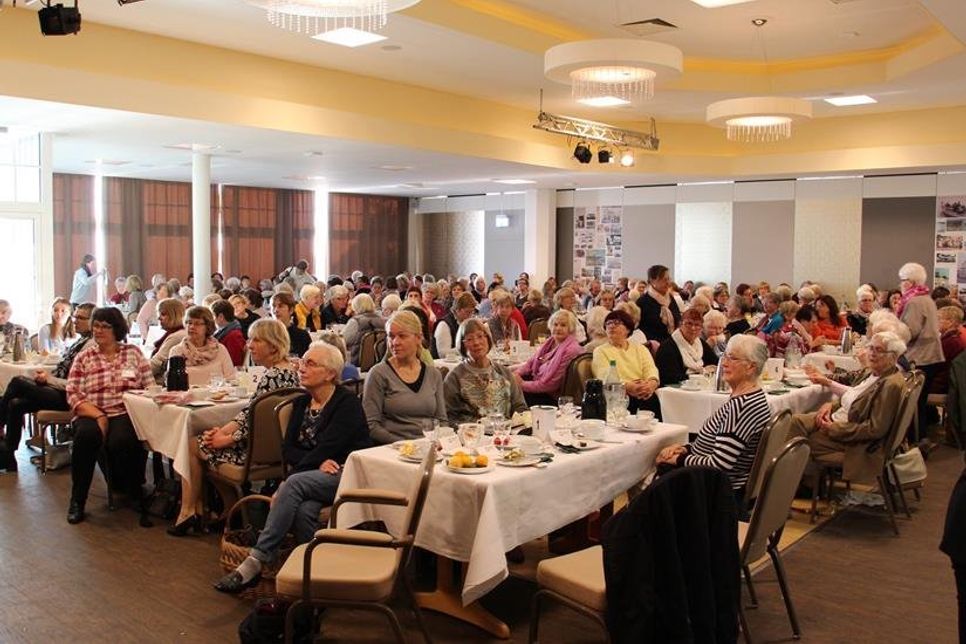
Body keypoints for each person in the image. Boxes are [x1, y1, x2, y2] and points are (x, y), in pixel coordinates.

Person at [213, 342, 371, 593]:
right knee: (304, 510)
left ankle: (257, 559)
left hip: (346, 472)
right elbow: (288, 451)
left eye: (310, 363)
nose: (301, 367)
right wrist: (316, 461)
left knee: (293, 484)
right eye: (302, 361)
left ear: (330, 374)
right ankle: (315, 574)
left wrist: (294, 476)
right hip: (316, 473)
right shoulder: (300, 404)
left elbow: (330, 447)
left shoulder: (346, 404)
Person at [169, 318, 300, 535]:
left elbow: (256, 422)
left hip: (255, 453)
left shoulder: (273, 376)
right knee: (206, 440)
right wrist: (222, 431)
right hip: (276, 450)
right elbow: (251, 413)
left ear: (273, 345)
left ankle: (190, 510)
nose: (249, 345)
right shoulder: (288, 372)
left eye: (256, 340)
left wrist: (227, 438)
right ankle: (228, 509)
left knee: (193, 445)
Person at [655, 335, 771, 504]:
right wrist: (686, 449)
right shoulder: (753, 396)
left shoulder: (741, 406)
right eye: (724, 356)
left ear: (751, 367)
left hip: (714, 491)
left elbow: (719, 464)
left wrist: (679, 459)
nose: (723, 363)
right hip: (713, 481)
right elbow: (719, 447)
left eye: (732, 358)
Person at [65, 307, 154, 524]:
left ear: (117, 329)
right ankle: (78, 500)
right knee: (86, 438)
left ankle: (132, 489)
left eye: (105, 326)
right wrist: (98, 416)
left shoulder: (133, 353)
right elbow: (73, 393)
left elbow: (150, 387)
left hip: (125, 410)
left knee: (123, 440)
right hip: (91, 411)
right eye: (96, 325)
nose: (99, 330)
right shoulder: (84, 357)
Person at [788, 331, 908, 484]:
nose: (872, 354)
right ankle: (798, 482)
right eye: (871, 348)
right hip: (839, 416)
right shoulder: (871, 373)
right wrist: (830, 404)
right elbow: (853, 396)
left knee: (800, 443)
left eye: (879, 350)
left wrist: (834, 428)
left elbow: (875, 429)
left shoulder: (890, 384)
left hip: (855, 439)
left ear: (893, 356)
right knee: (794, 421)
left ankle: (803, 485)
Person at [0, 303, 94, 472]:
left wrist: (50, 379)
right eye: (75, 317)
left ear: (93, 321)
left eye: (81, 318)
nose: (75, 320)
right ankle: (8, 457)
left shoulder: (91, 346)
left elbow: (79, 385)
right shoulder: (82, 340)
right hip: (57, 389)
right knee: (15, 404)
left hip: (70, 397)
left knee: (18, 381)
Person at [362, 310, 446, 445]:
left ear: (418, 338)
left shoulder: (433, 374)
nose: (395, 342)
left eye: (402, 336)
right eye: (391, 336)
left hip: (429, 446)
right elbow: (371, 425)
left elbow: (442, 421)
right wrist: (405, 445)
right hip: (392, 448)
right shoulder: (378, 373)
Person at [444, 319, 527, 424]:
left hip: (504, 434)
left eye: (480, 336)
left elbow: (520, 408)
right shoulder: (455, 377)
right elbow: (447, 416)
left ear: (488, 339)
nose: (476, 343)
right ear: (462, 345)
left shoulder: (504, 373)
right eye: (469, 339)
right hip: (471, 436)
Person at [592, 310, 661, 417]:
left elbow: (650, 369)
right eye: (608, 323)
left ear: (628, 329)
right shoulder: (600, 351)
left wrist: (651, 384)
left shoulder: (640, 348)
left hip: (643, 392)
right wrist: (628, 387)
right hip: (617, 396)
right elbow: (604, 377)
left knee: (653, 401)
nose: (611, 326)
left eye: (616, 323)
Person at [513, 309, 584, 406]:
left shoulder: (571, 350)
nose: (558, 328)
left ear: (570, 328)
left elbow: (550, 385)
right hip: (538, 384)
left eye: (563, 325)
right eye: (555, 325)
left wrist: (522, 384)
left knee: (512, 394)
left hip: (553, 397)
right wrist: (516, 374)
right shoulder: (550, 341)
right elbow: (531, 362)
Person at [167, 306, 236, 386]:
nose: (192, 327)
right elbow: (172, 383)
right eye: (189, 323)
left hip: (215, 396)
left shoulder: (220, 349)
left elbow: (231, 379)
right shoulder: (177, 351)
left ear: (208, 326)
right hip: (187, 397)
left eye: (197, 324)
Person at [654, 308, 718, 386]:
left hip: (699, 386)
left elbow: (716, 363)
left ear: (701, 328)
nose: (693, 328)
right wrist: (702, 373)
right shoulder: (668, 347)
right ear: (680, 324)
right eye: (689, 323)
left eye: (697, 325)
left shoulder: (701, 344)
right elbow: (670, 377)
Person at [638, 264, 681, 344]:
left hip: (673, 342)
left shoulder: (671, 298)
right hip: (653, 344)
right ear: (652, 280)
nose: (668, 283)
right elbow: (640, 328)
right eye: (664, 280)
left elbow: (678, 318)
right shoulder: (643, 302)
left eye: (669, 279)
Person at [149, 298, 187, 382]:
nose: (159, 318)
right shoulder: (177, 333)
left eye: (163, 314)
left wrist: (135, 373)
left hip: (161, 383)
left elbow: (156, 364)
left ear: (174, 315)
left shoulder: (176, 337)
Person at [343, 293, 384, 366]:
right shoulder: (381, 320)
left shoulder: (355, 322)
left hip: (358, 360)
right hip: (379, 361)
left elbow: (343, 340)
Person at [933, 306, 966, 395]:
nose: (936, 322)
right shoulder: (952, 339)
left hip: (942, 385)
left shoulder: (951, 342)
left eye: (939, 319)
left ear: (950, 322)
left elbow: (936, 365)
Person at [434, 292, 476, 358]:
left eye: (472, 312)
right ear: (457, 310)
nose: (470, 315)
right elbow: (442, 353)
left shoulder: (465, 322)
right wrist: (465, 347)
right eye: (467, 312)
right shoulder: (444, 325)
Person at [271, 291, 311, 357]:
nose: (276, 310)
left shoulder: (302, 336)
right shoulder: (266, 334)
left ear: (291, 310)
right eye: (274, 306)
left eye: (280, 306)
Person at [212, 299, 246, 367]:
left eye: (213, 315)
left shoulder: (233, 335)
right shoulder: (222, 331)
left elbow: (235, 362)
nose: (212, 319)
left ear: (221, 317)